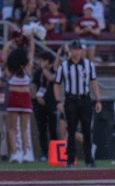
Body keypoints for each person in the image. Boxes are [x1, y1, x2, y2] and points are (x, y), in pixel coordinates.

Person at [53, 39, 102, 168]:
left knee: (86, 130)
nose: (76, 52)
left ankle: (89, 160)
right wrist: (58, 101)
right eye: (74, 49)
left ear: (81, 50)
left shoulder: (88, 65)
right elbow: (57, 84)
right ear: (70, 50)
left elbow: (93, 82)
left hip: (85, 99)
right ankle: (70, 160)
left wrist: (98, 100)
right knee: (71, 130)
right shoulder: (64, 66)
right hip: (70, 100)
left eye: (78, 49)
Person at [5, 36, 35, 163]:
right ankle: (25, 153)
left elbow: (4, 53)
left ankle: (15, 154)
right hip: (25, 98)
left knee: (12, 128)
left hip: (13, 97)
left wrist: (12, 42)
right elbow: (32, 51)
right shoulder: (28, 67)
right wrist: (31, 38)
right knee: (24, 128)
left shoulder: (9, 69)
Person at [32, 51, 57, 162]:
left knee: (52, 129)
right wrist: (36, 97)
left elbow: (52, 78)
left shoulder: (53, 70)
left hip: (51, 103)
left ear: (48, 61)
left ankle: (55, 153)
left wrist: (43, 69)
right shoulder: (37, 72)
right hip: (39, 103)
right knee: (41, 129)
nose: (40, 62)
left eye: (43, 60)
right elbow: (32, 86)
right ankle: (44, 153)